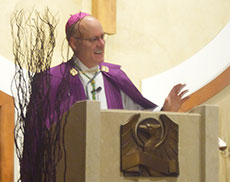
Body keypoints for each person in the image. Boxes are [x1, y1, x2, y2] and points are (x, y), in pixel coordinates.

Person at [20, 12, 189, 182]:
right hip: (70, 172)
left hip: (113, 169)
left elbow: (140, 121)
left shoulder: (115, 77)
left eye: (102, 37)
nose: (101, 44)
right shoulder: (52, 80)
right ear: (74, 43)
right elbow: (37, 138)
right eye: (94, 39)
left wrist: (164, 110)